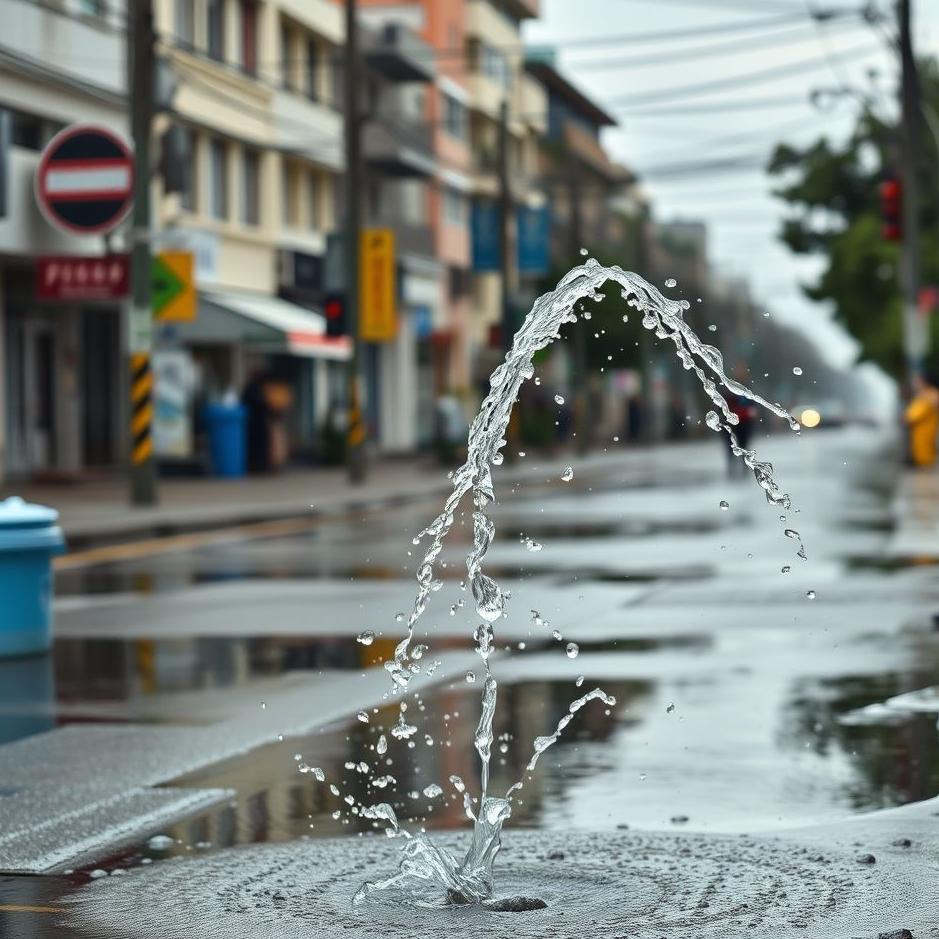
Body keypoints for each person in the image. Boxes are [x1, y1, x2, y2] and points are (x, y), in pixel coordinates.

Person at [905, 373, 939, 468]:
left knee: (924, 460)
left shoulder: (930, 395)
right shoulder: (925, 394)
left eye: (918, 381)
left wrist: (906, 418)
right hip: (921, 431)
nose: (915, 383)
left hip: (924, 431)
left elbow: (914, 415)